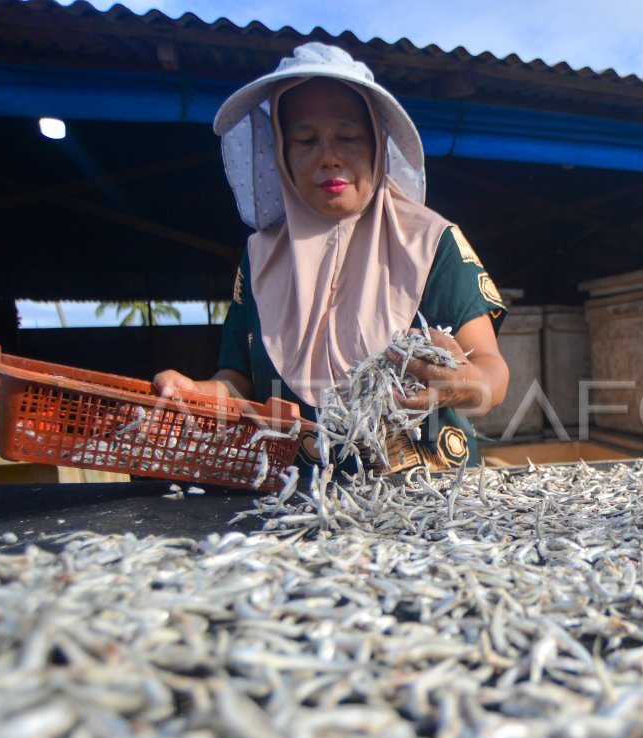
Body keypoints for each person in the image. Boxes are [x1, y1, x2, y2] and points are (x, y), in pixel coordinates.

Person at [153, 43, 509, 473]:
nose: (329, 157)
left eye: (348, 137)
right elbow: (238, 382)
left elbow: (492, 372)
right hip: (297, 503)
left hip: (428, 502)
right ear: (280, 152)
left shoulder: (430, 242)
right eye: (304, 140)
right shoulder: (260, 258)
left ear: (377, 144)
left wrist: (464, 384)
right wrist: (193, 392)